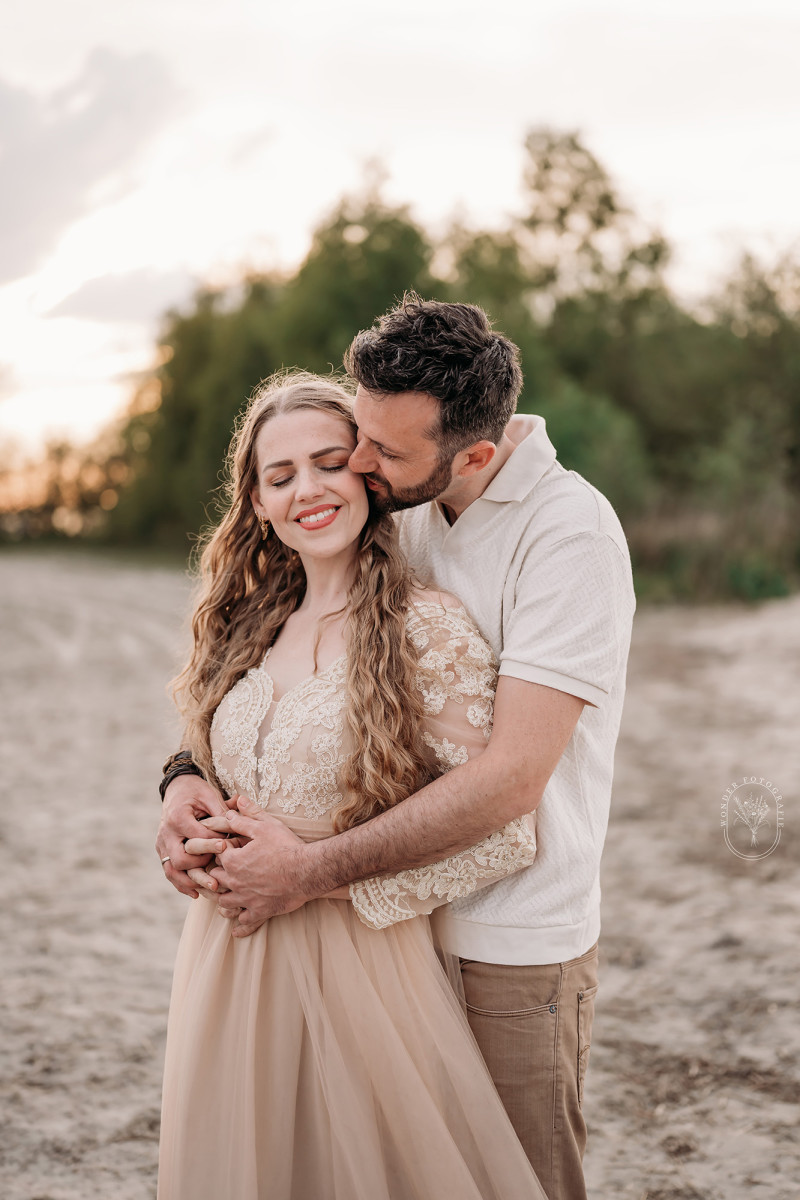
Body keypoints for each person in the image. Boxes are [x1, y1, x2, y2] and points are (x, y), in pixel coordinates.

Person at [160, 297, 636, 1200]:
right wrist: (181, 779)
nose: (357, 467)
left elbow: (511, 782)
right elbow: (266, 703)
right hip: (331, 939)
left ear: (474, 458)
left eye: (373, 452)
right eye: (359, 437)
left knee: (513, 1178)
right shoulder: (399, 503)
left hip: (506, 937)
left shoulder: (568, 536)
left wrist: (307, 873)